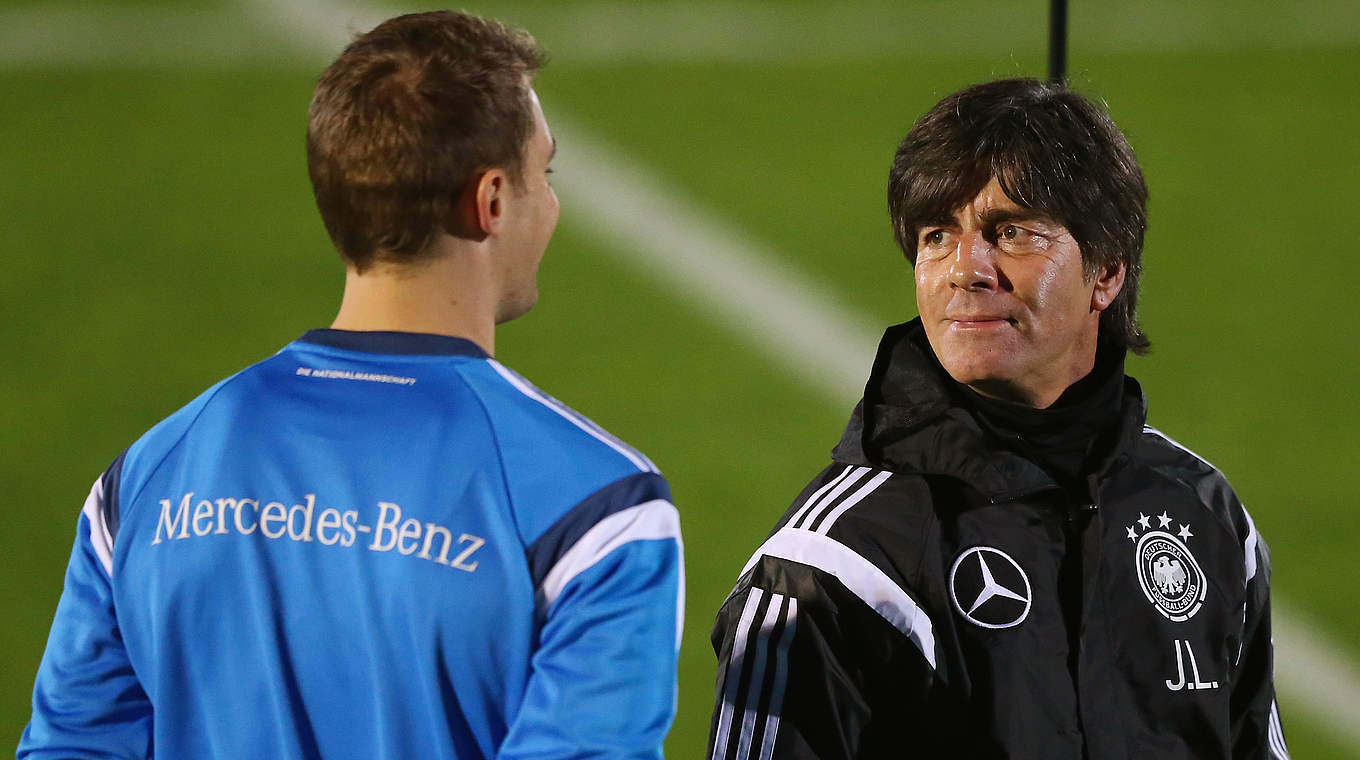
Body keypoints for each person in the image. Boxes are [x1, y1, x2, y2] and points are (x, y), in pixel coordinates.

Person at [19, 11, 682, 760]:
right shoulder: (596, 507)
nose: (553, 202)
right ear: (491, 200)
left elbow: (73, 747)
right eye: (546, 174)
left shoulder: (146, 477)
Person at [708, 78, 1288, 759]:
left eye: (1009, 232)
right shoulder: (834, 566)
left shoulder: (1206, 516)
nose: (965, 269)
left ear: (1106, 273)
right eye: (937, 235)